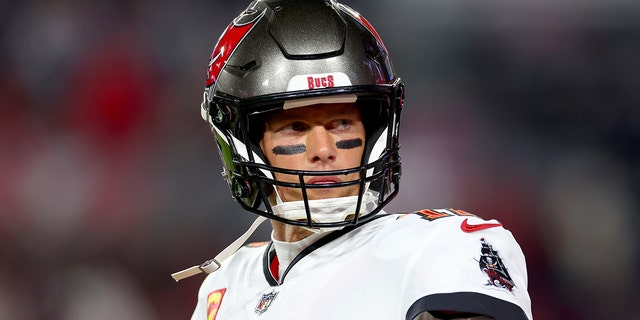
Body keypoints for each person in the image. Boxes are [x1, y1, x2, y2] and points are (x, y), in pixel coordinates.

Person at [172, 0, 532, 319]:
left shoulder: (440, 249)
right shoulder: (224, 285)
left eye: (341, 122)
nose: (324, 149)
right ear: (244, 143)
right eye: (295, 126)